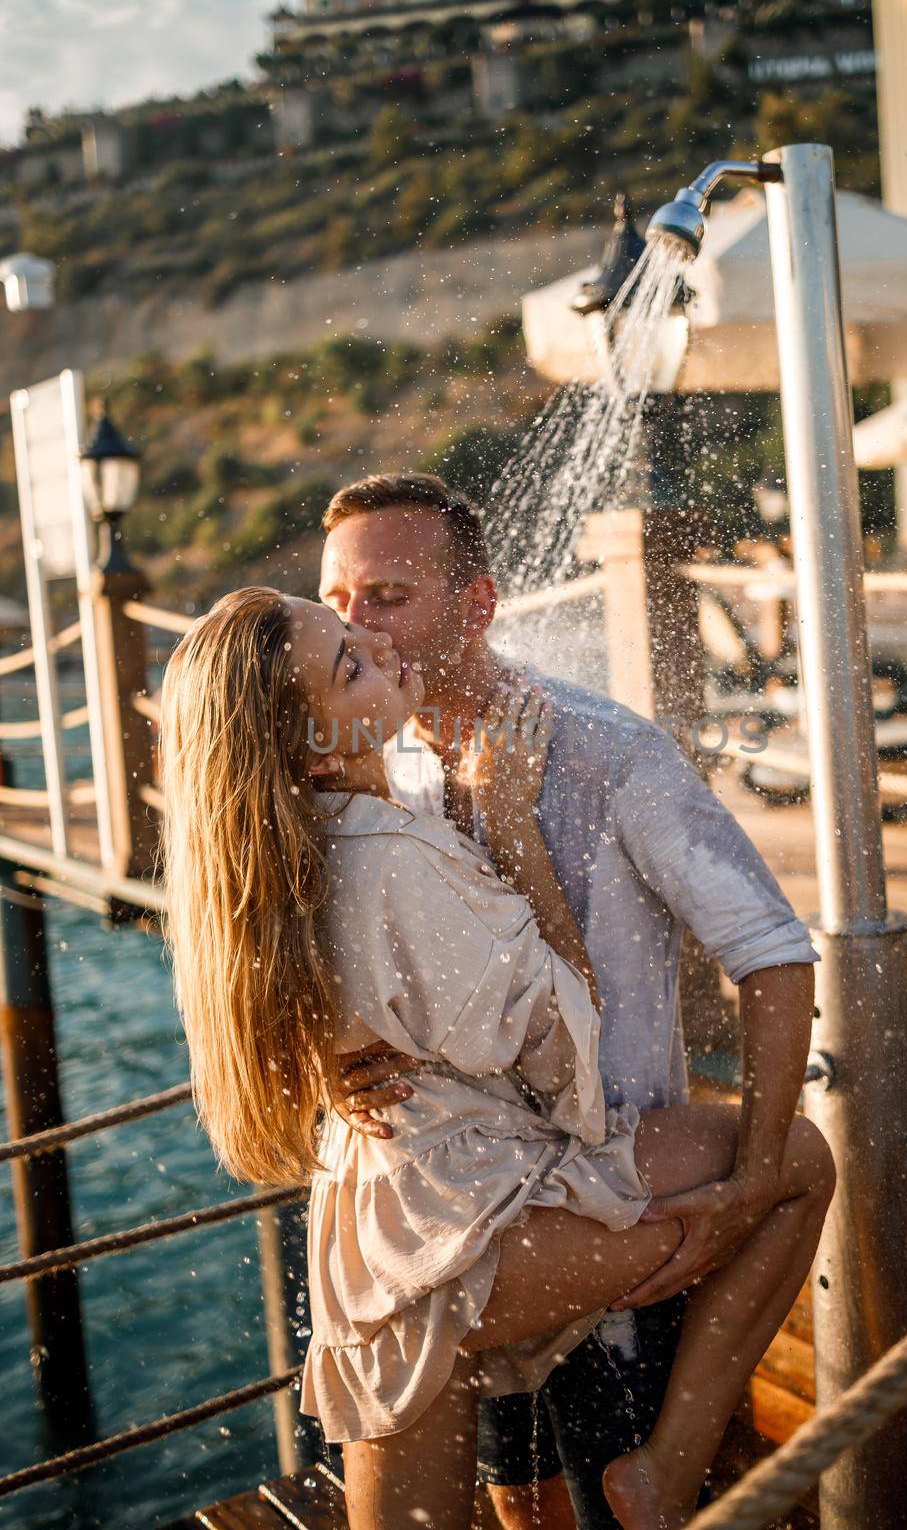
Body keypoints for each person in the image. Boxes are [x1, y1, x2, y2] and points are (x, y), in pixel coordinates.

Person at [160, 589, 835, 1530]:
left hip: (378, 1230)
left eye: (360, 624)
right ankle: (667, 1469)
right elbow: (566, 1062)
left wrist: (328, 1063)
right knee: (798, 1162)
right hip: (470, 1227)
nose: (380, 644)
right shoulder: (394, 854)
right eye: (349, 660)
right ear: (314, 747)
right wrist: (511, 823)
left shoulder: (279, 855)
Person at [317, 475, 823, 1530]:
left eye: (390, 593)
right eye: (339, 597)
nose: (356, 622)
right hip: (463, 1209)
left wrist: (755, 1174)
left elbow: (772, 953)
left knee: (625, 1500)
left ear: (477, 604)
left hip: (619, 1190)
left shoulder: (606, 752)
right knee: (521, 1504)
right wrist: (327, 1057)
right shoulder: (374, 764)